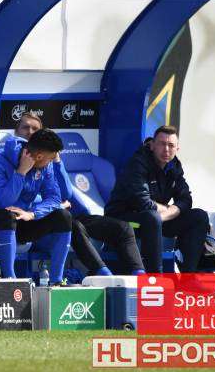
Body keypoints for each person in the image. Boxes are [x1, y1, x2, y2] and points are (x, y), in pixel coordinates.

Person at [12, 115, 145, 276]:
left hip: (69, 215)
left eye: (35, 129)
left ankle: (140, 276)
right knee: (72, 225)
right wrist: (57, 205)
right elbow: (23, 199)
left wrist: (57, 161)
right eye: (25, 127)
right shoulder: (13, 160)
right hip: (41, 222)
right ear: (16, 132)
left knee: (123, 228)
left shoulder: (50, 161)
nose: (30, 132)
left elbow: (66, 193)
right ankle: (103, 275)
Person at [0, 129, 72, 285]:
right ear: (39, 156)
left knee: (63, 217)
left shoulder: (45, 166)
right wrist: (21, 172)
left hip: (21, 218)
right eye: (50, 159)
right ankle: (10, 280)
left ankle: (56, 281)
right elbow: (4, 202)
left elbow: (54, 197)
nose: (51, 162)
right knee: (7, 215)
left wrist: (33, 214)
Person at [105, 125, 208, 273]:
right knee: (151, 218)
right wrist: (167, 211)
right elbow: (142, 202)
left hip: (157, 219)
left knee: (199, 216)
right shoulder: (138, 162)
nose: (166, 149)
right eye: (162, 144)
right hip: (124, 219)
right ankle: (155, 276)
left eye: (171, 145)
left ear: (177, 149)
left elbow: (186, 199)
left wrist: (168, 213)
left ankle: (188, 277)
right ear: (152, 145)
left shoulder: (174, 165)